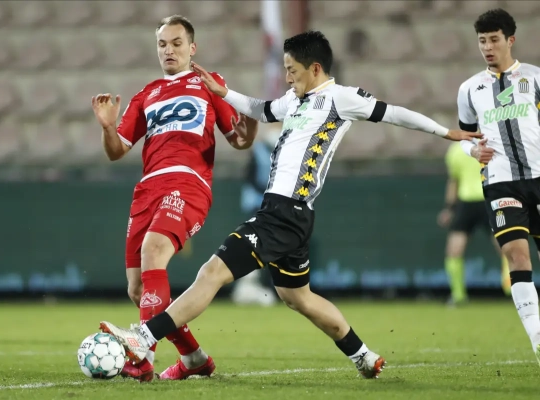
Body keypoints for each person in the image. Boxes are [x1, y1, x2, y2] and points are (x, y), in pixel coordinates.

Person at [98, 30, 480, 379]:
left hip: (285, 212)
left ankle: (143, 337)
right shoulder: (294, 101)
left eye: (292, 70)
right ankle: (363, 355)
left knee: (212, 272)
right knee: (298, 297)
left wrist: (446, 132)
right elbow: (260, 109)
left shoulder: (340, 98)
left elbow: (393, 113)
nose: (287, 77)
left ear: (315, 68)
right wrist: (222, 91)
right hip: (287, 214)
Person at [91, 14, 258, 381]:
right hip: (147, 188)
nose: (169, 50)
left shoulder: (209, 84)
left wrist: (251, 127)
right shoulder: (146, 94)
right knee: (138, 289)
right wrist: (107, 127)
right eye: (162, 44)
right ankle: (194, 358)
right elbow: (117, 150)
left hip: (188, 181)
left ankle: (142, 357)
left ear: (192, 48)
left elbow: (239, 140)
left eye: (177, 43)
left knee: (154, 251)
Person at [457, 8, 540, 364]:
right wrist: (472, 149)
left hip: (539, 177)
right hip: (500, 183)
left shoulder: (535, 78)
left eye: (494, 40)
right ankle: (538, 340)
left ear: (510, 40)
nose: (487, 47)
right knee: (517, 256)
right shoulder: (469, 89)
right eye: (482, 41)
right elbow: (465, 137)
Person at [437, 142, 511, 306]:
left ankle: (512, 287)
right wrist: (449, 208)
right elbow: (454, 181)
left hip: (489, 200)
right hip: (466, 204)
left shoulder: (493, 143)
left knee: (506, 247)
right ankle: (458, 295)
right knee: (453, 250)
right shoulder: (455, 150)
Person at [231, 125, 278, 306]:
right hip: (255, 204)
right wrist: (266, 192)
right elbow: (249, 176)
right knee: (252, 242)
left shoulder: (278, 152)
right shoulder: (257, 151)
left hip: (269, 206)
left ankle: (265, 285)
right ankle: (249, 283)